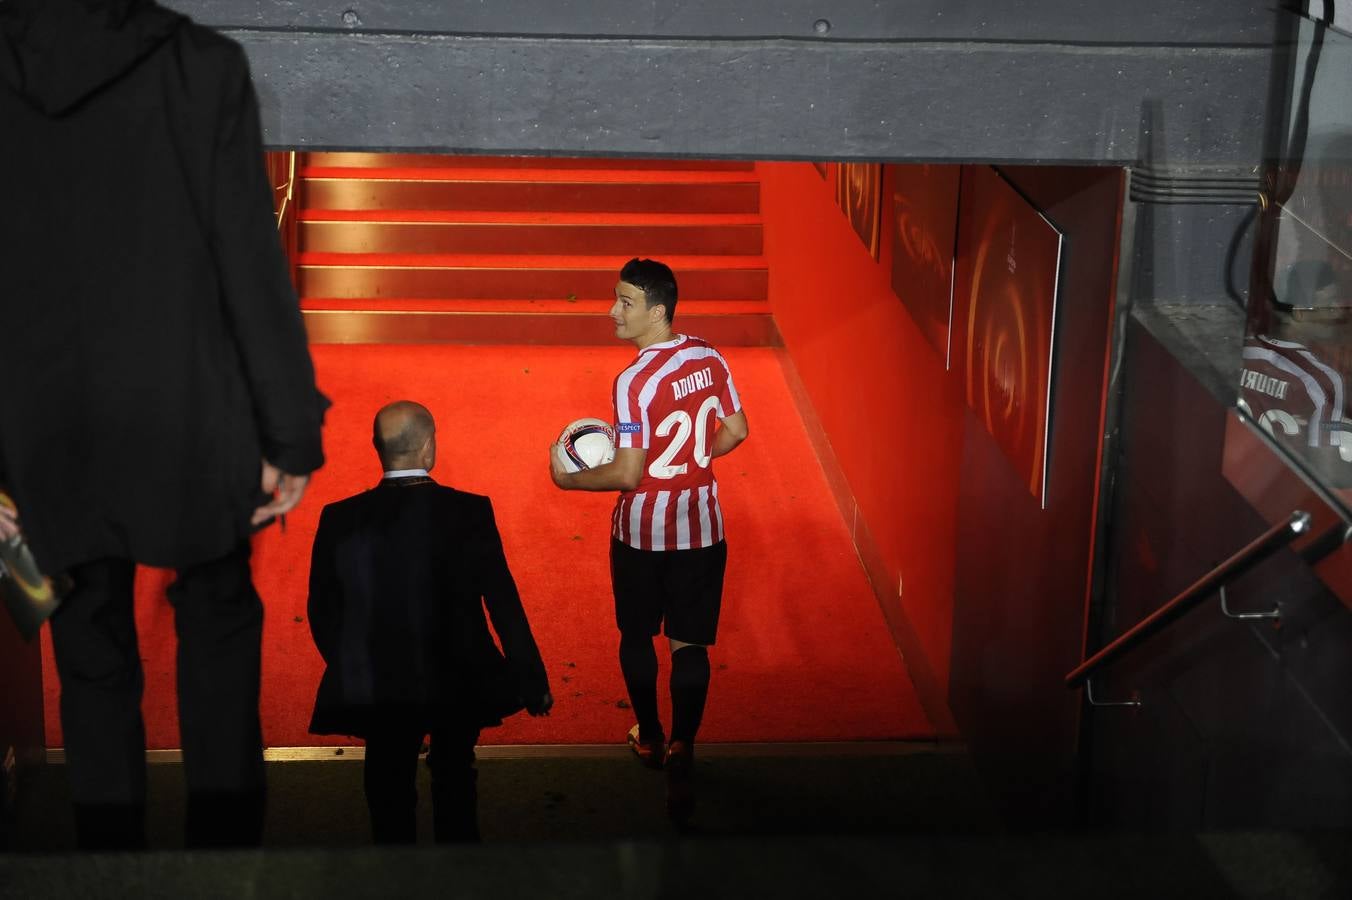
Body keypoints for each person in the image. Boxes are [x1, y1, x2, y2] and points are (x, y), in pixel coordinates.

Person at [0, 0, 328, 850]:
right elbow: (248, 262)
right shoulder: (202, 64)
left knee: (87, 644)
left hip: (44, 421)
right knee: (218, 624)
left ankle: (109, 862)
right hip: (188, 409)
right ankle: (223, 857)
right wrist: (289, 431)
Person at [550, 258, 749, 823]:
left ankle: (651, 736)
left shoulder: (635, 380)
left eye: (624, 302)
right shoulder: (709, 355)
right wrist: (693, 462)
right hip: (703, 527)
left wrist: (567, 478)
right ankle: (685, 746)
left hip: (641, 533)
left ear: (656, 311)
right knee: (690, 646)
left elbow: (629, 474)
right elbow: (735, 430)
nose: (612, 311)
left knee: (636, 634)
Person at [308, 401, 553, 844]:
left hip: (379, 680)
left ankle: (394, 865)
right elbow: (503, 602)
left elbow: (322, 609)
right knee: (456, 772)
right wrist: (530, 677)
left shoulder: (339, 517)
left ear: (376, 448)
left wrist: (351, 664)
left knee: (386, 776)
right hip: (456, 675)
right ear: (428, 446)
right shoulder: (470, 512)